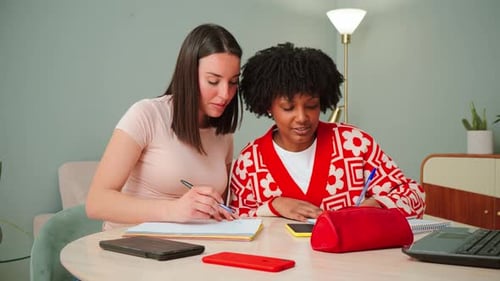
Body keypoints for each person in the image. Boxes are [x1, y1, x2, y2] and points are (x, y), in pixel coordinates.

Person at [230, 42, 425, 222]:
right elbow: (236, 219)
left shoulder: (354, 144)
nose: (302, 117)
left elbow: (414, 196)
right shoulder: (250, 162)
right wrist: (273, 206)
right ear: (268, 107)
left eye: (311, 105)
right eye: (288, 108)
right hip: (280, 259)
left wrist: (378, 205)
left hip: (352, 259)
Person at [86, 23, 242, 230]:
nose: (225, 94)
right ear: (188, 74)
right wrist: (174, 210)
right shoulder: (147, 115)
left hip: (192, 250)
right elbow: (97, 203)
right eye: (213, 81)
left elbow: (218, 208)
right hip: (133, 249)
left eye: (233, 82)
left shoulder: (223, 135)